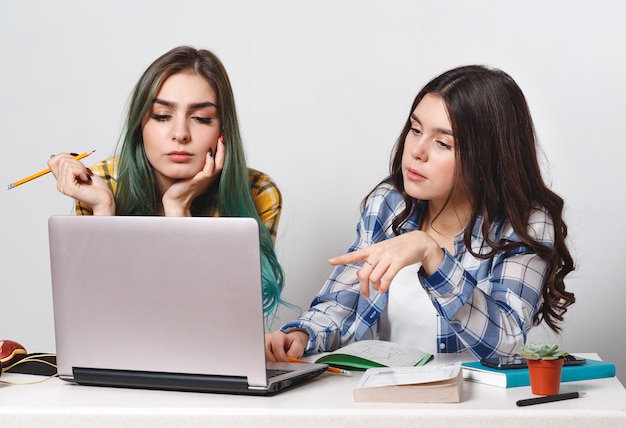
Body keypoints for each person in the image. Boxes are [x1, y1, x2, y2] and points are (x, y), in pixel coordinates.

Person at [265, 65, 575, 361]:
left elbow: (505, 342)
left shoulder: (526, 223)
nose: (417, 151)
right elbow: (345, 301)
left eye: (442, 142)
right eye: (415, 129)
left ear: (488, 155)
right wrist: (300, 336)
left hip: (473, 406)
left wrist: (433, 256)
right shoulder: (390, 203)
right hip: (382, 398)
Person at [48, 46, 286, 318]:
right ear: (140, 125)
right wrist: (103, 209)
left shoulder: (258, 192)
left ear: (223, 130)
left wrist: (178, 208)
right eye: (162, 116)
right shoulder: (104, 183)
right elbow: (93, 314)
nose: (180, 134)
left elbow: (225, 318)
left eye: (201, 118)